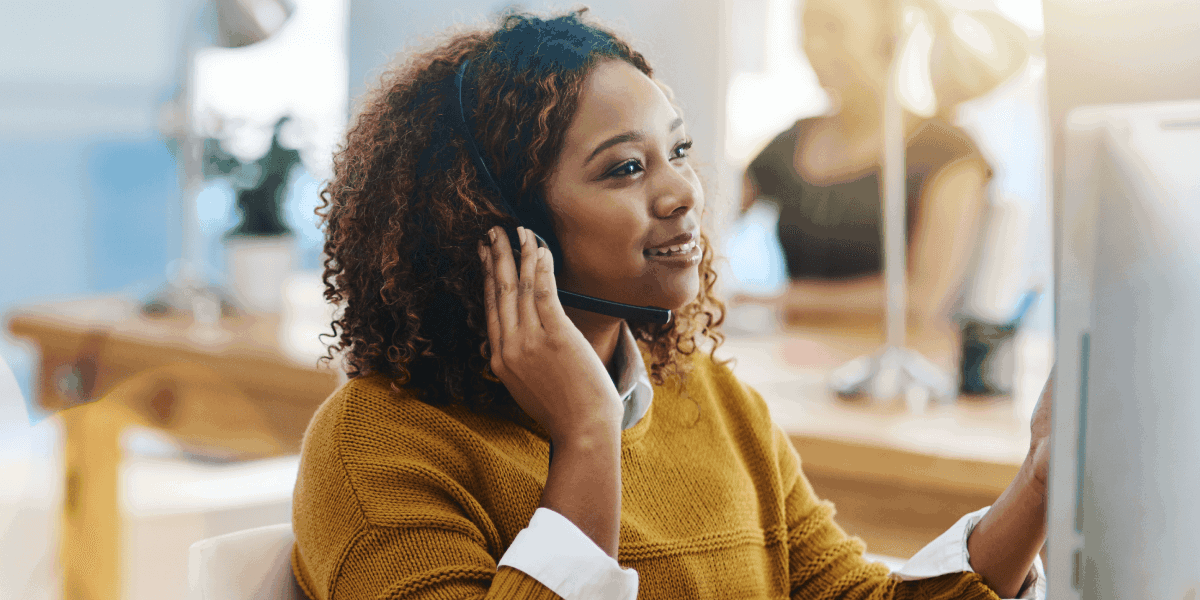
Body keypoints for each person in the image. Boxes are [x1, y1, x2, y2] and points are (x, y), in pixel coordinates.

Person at [290, 10, 1049, 600]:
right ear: (499, 219)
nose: (684, 191)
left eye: (678, 151)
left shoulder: (711, 400)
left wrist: (1041, 482)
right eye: (625, 167)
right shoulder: (378, 445)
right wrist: (587, 438)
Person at [740, 0, 1031, 367]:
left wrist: (773, 302)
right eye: (806, 29)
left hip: (900, 371)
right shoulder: (791, 143)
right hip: (796, 361)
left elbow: (923, 300)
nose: (813, 46)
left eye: (832, 27)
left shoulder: (948, 153)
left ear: (889, 35)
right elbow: (703, 215)